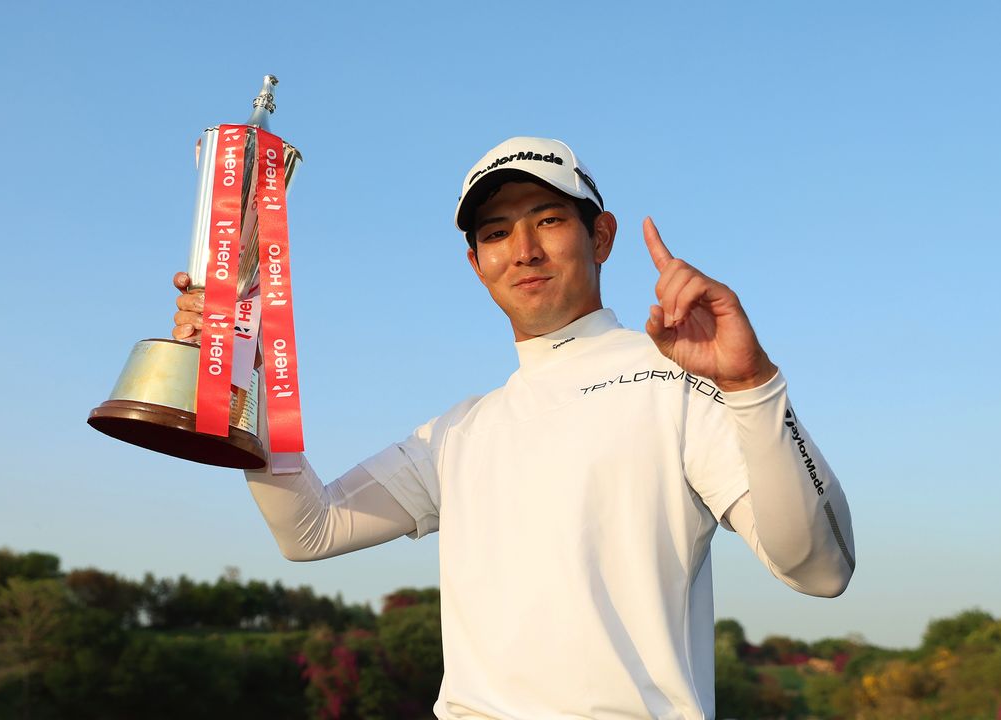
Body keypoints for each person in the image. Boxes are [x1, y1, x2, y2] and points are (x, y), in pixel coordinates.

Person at [171, 137, 855, 720]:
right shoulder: (462, 430)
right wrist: (241, 380)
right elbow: (308, 530)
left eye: (549, 219)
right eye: (495, 232)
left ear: (602, 236)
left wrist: (752, 385)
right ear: (477, 265)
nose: (522, 249)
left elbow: (821, 569)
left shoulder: (680, 384)